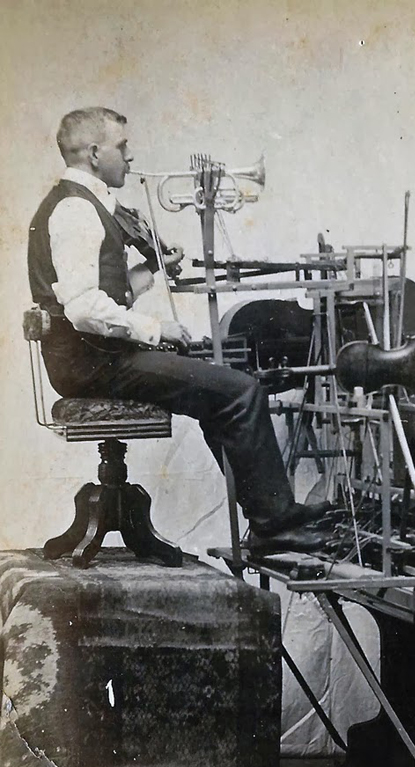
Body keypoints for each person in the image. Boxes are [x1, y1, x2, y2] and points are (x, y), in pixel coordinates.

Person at [28, 106, 331, 553]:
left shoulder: (82, 203)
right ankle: (274, 523)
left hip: (94, 355)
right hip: (93, 363)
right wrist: (156, 328)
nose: (130, 158)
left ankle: (268, 514)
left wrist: (150, 268)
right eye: (122, 147)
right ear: (94, 153)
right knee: (241, 391)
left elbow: (105, 298)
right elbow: (84, 310)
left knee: (219, 389)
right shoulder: (76, 209)